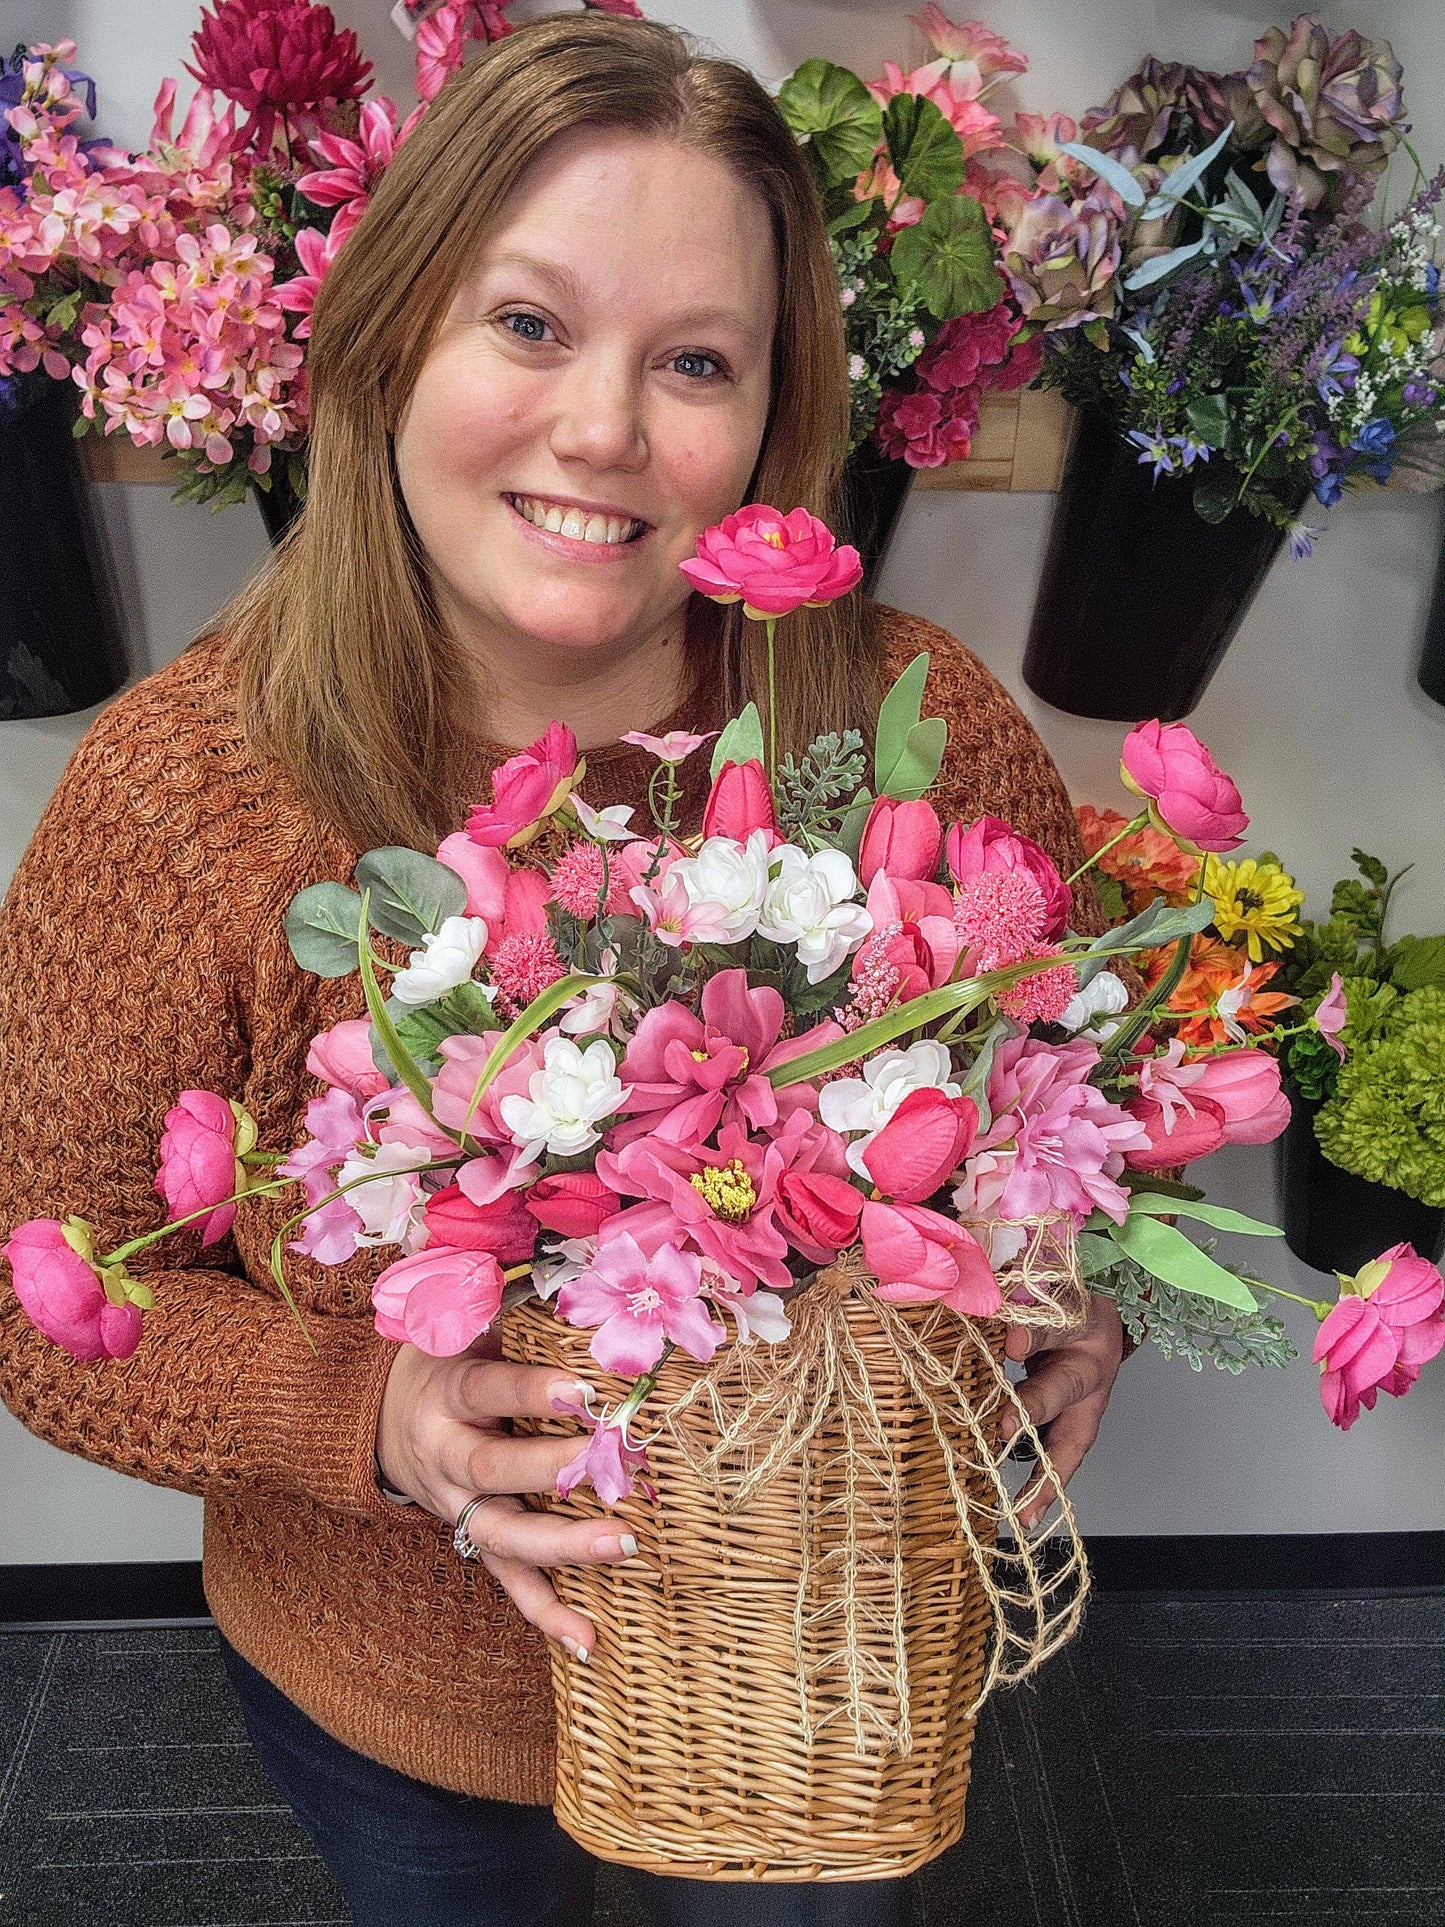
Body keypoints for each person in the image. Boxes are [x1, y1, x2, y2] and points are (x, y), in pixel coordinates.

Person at [0, 15, 1130, 1926]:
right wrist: (367, 1418)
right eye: (525, 325)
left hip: (814, 1689)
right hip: (398, 1704)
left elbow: (1082, 1110)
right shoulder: (189, 798)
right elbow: (37, 1288)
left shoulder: (917, 730)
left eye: (693, 362)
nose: (604, 428)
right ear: (388, 348)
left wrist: (1066, 1294)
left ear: (774, 423)